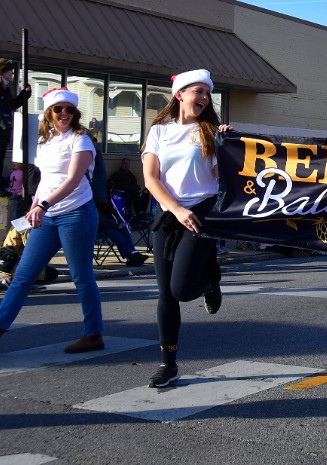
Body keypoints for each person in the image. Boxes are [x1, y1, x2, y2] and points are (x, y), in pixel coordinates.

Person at [0, 87, 104, 355]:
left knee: (82, 277)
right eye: (59, 109)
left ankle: (93, 335)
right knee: (22, 276)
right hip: (47, 215)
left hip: (77, 214)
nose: (64, 113)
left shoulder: (80, 140)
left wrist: (44, 205)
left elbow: (72, 180)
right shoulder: (45, 142)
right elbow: (46, 179)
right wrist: (34, 205)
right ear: (49, 112)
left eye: (69, 109)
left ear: (75, 113)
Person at [141, 69, 231, 388]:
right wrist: (175, 208)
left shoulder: (212, 131)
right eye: (197, 91)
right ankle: (168, 363)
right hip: (169, 213)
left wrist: (229, 146)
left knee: (182, 289)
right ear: (180, 95)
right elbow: (151, 178)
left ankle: (209, 280)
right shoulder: (159, 132)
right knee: (166, 294)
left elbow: (225, 177)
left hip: (203, 211)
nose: (204, 98)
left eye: (207, 93)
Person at [91, 138, 148, 267]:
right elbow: (100, 219)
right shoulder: (93, 201)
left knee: (125, 230)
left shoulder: (106, 200)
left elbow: (112, 214)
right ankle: (129, 256)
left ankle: (133, 254)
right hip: (99, 226)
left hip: (109, 223)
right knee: (118, 234)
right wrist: (116, 225)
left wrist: (120, 224)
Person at [0, 58, 31, 196]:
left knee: (1, 155)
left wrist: (24, 95)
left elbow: (12, 104)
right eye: (10, 70)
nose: (12, 72)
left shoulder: (6, 88)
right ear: (3, 71)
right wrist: (1, 119)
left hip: (4, 127)